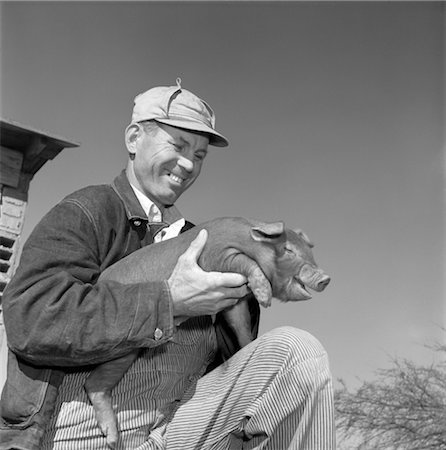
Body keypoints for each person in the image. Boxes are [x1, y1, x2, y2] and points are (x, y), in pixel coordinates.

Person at [0, 79, 335, 450]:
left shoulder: (204, 240)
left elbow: (236, 357)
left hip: (175, 424)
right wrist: (169, 302)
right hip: (78, 426)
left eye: (201, 154)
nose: (189, 163)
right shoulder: (88, 212)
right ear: (133, 139)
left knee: (295, 353)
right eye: (177, 144)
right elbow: (29, 321)